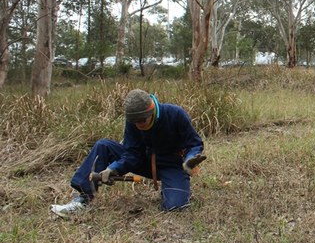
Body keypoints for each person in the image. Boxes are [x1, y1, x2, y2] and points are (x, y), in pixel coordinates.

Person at [51, 89, 207, 217]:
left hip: (171, 165)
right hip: (144, 161)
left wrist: (190, 159)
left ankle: (171, 188)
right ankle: (83, 199)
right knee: (103, 145)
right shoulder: (133, 121)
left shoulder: (175, 114)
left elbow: (194, 143)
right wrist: (114, 168)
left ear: (151, 112)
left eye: (142, 121)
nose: (138, 125)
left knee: (175, 207)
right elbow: (132, 153)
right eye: (135, 122)